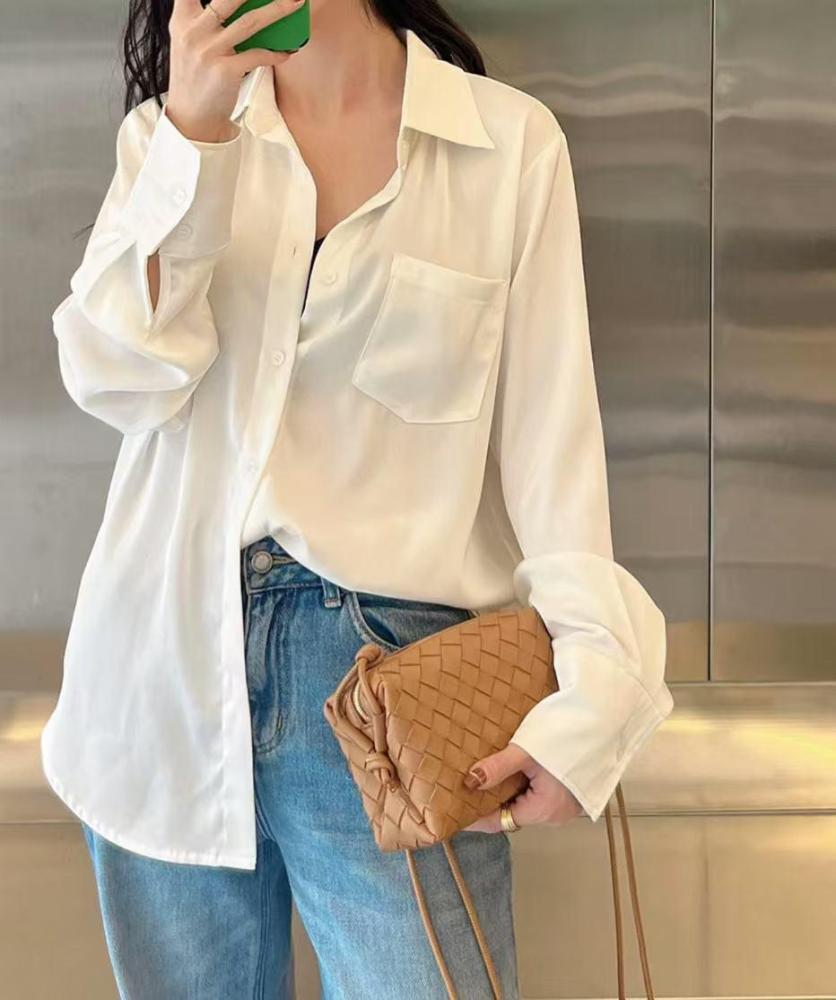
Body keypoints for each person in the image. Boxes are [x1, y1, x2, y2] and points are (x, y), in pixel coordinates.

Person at [41, 0, 675, 996]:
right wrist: (192, 141)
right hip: (162, 667)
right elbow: (116, 382)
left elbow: (553, 450)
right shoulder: (170, 137)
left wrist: (594, 699)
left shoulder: (504, 145)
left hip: (389, 689)